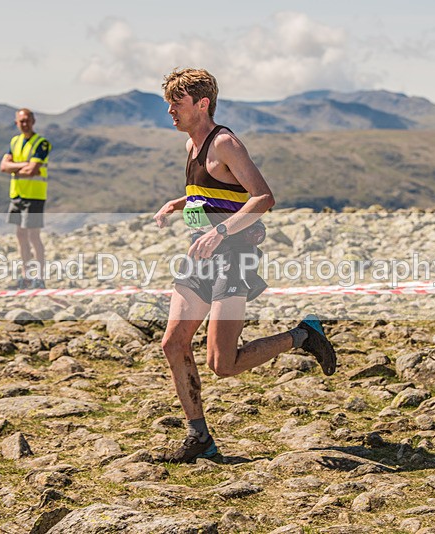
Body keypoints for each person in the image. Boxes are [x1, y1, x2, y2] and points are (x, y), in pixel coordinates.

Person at [153, 68, 337, 463]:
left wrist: (220, 231)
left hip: (233, 257)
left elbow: (262, 197)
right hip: (200, 257)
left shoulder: (225, 143)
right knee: (173, 343)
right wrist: (180, 203)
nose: (170, 110)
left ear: (202, 104)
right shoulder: (191, 145)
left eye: (177, 103)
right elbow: (216, 192)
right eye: (168, 103)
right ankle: (199, 438)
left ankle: (303, 335)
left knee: (223, 363)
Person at [0, 108, 52, 289]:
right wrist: (24, 165)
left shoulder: (41, 144)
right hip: (17, 195)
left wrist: (14, 167)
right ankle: (26, 276)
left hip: (34, 196)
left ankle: (39, 277)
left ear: (33, 121)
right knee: (21, 235)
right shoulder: (15, 142)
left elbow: (32, 170)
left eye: (27, 120)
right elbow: (3, 166)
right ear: (16, 123)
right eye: (21, 121)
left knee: (33, 236)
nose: (24, 124)